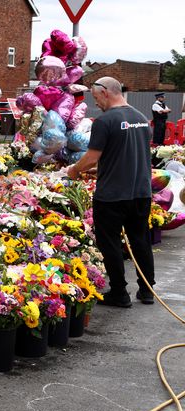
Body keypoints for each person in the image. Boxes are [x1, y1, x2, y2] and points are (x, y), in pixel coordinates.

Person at [67, 76, 155, 307]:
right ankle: (147, 290)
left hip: (112, 196)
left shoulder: (105, 121)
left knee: (111, 243)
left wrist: (75, 170)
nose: (97, 104)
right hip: (141, 192)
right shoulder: (141, 118)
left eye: (97, 98)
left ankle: (119, 293)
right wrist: (101, 169)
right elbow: (128, 152)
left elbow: (91, 157)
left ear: (105, 92)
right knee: (140, 240)